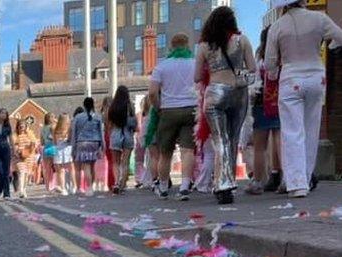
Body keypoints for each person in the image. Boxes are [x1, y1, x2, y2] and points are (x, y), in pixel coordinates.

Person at [265, 1, 342, 198]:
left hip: (290, 78)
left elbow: (270, 63)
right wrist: (331, 42)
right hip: (316, 77)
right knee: (311, 129)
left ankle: (296, 183)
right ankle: (305, 175)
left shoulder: (277, 26)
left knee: (292, 131)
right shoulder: (319, 18)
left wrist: (272, 74)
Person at [195, 6, 256, 205]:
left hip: (214, 94)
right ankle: (227, 183)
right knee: (233, 138)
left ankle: (223, 184)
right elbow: (253, 70)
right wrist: (236, 77)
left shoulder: (204, 46)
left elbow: (196, 76)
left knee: (220, 140)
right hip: (238, 93)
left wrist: (212, 71)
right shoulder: (243, 40)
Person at [149, 33, 198, 200]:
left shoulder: (162, 66)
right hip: (191, 109)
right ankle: (184, 186)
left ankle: (163, 187)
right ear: (187, 45)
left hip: (168, 110)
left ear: (171, 46)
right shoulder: (194, 64)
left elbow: (152, 93)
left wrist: (159, 108)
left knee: (165, 152)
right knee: (187, 150)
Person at [250, 26, 282, 194]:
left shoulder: (258, 60)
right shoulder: (280, 58)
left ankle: (257, 182)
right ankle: (285, 178)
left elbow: (251, 80)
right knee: (280, 140)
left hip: (260, 103)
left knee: (259, 147)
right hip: (279, 101)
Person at [107, 86, 137, 194]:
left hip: (115, 134)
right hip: (127, 134)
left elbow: (109, 124)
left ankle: (116, 182)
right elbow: (134, 123)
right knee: (125, 161)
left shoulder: (112, 107)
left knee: (115, 162)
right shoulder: (130, 107)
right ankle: (123, 184)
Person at [70, 97, 104, 196]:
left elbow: (74, 134)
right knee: (92, 165)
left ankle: (88, 187)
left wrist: (73, 147)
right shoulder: (98, 117)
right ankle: (91, 187)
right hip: (95, 142)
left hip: (82, 142)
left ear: (84, 105)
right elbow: (101, 132)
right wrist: (103, 145)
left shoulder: (78, 117)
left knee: (86, 165)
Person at [12, 118, 38, 199]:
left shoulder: (30, 134)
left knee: (27, 174)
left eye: (23, 126)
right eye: (20, 127)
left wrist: (32, 146)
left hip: (29, 157)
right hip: (19, 157)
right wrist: (17, 152)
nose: (21, 128)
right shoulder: (15, 135)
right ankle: (21, 192)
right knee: (21, 173)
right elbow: (13, 146)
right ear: (17, 127)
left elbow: (34, 144)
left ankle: (24, 189)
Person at [52, 113, 74, 195]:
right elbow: (70, 139)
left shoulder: (55, 129)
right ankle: (73, 187)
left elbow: (54, 142)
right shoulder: (69, 128)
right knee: (71, 169)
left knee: (60, 171)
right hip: (68, 149)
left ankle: (63, 188)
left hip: (58, 150)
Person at [40, 113, 56, 191]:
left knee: (47, 169)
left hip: (46, 148)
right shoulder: (53, 127)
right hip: (53, 147)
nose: (54, 118)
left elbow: (42, 141)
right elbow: (54, 138)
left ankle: (47, 186)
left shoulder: (43, 128)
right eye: (53, 117)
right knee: (56, 168)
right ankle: (54, 184)